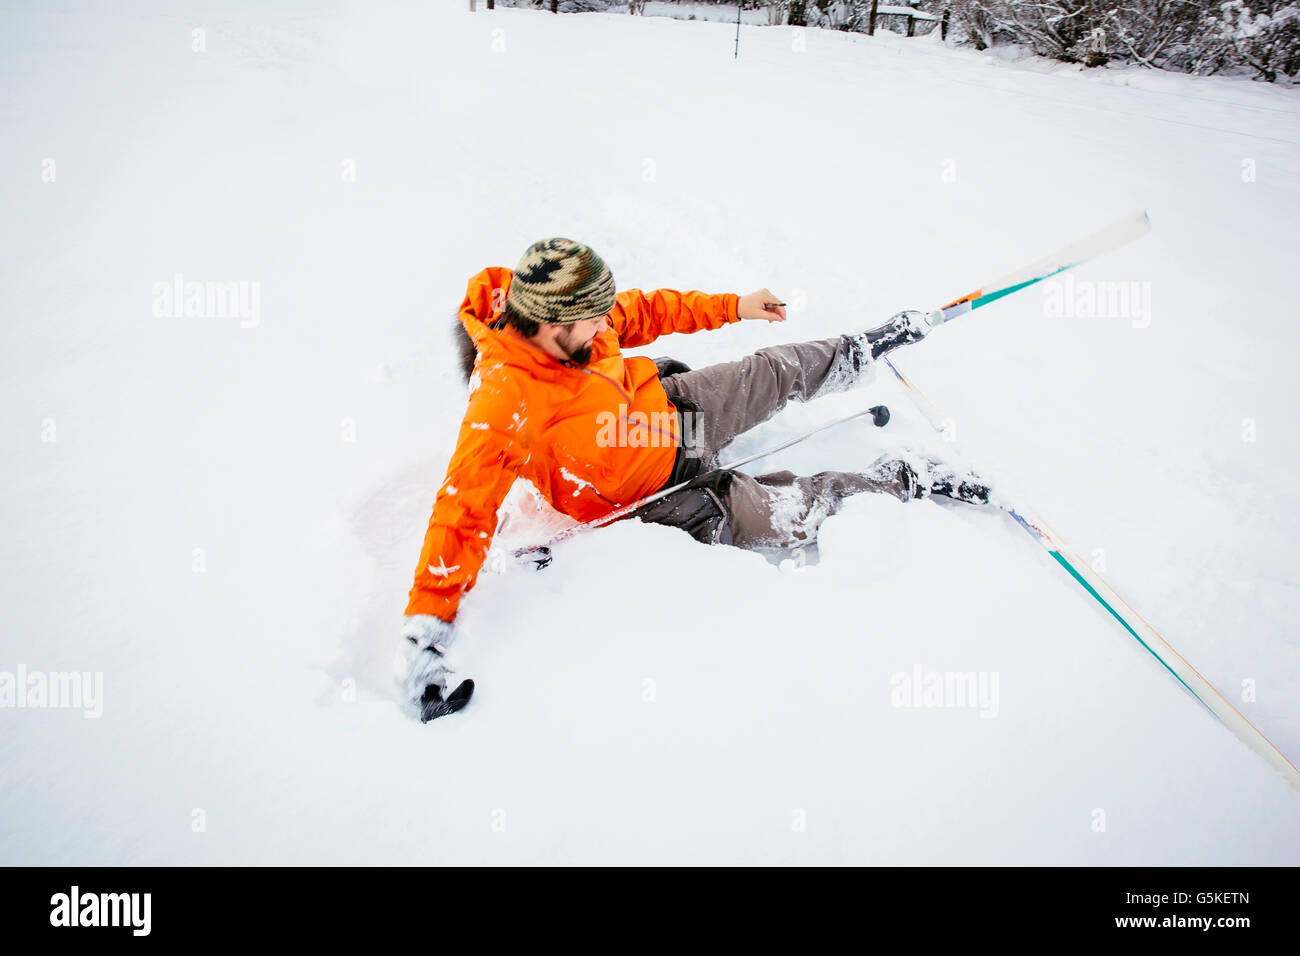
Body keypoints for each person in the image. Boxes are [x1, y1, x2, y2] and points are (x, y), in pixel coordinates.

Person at [397, 237, 991, 722]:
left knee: (766, 372)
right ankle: (904, 478)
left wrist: (735, 305)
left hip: (670, 415)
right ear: (556, 326)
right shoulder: (505, 402)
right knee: (787, 515)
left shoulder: (576, 314)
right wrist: (426, 638)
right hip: (656, 499)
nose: (609, 321)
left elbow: (648, 309)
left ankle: (861, 350)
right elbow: (461, 511)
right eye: (596, 317)